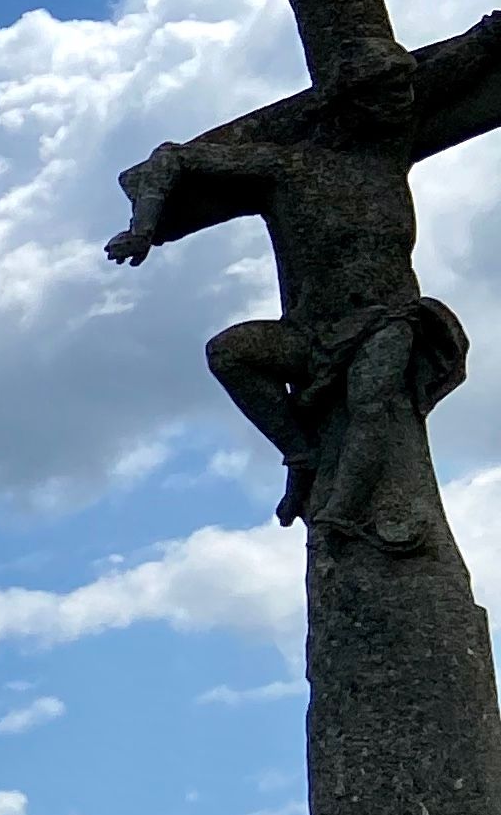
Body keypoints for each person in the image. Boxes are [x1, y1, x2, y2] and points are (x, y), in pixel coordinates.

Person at [109, 50, 466, 547]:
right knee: (229, 351)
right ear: (346, 105)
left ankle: (339, 514)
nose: (400, 102)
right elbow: (171, 157)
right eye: (383, 94)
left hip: (387, 318)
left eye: (402, 91)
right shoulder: (286, 167)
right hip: (311, 332)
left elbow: (466, 61)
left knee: (371, 399)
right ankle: (302, 455)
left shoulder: (386, 151)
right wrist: (142, 230)